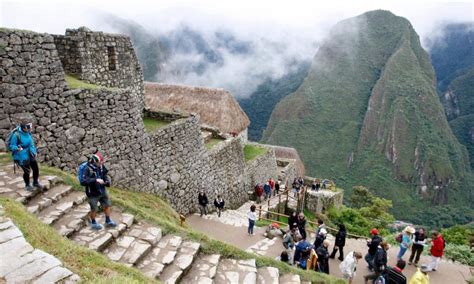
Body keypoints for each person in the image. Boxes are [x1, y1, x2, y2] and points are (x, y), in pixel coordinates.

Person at [83, 152, 116, 230]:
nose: (101, 163)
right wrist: (96, 180)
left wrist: (107, 181)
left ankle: (108, 220)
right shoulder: (88, 169)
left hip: (102, 190)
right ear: (95, 162)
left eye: (102, 162)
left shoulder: (101, 166)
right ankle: (93, 223)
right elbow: (85, 181)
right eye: (100, 162)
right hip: (92, 193)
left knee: (107, 204)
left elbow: (104, 175)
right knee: (94, 208)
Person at [8, 121, 44, 191]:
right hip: (21, 156)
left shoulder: (28, 133)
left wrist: (34, 152)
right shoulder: (16, 135)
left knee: (35, 168)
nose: (30, 128)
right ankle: (27, 185)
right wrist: (17, 148)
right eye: (28, 127)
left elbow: (31, 144)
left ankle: (35, 182)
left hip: (29, 153)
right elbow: (11, 146)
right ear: (24, 128)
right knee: (27, 171)